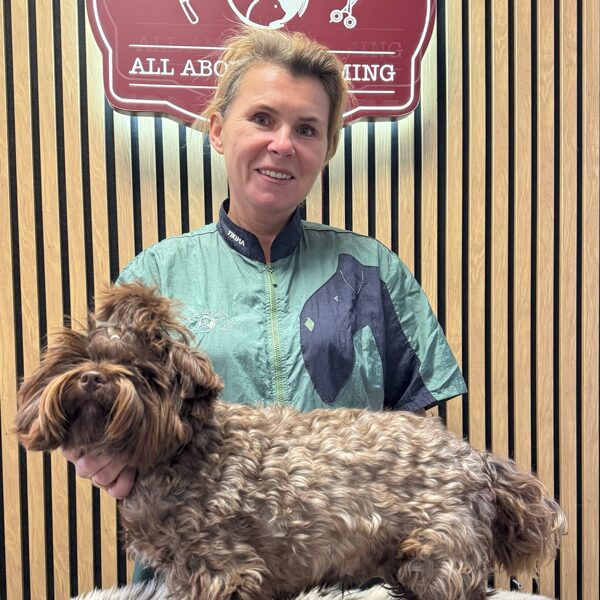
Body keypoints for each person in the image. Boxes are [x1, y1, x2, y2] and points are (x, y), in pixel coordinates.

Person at [65, 26, 467, 582]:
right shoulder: (153, 279)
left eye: (307, 129)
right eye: (262, 118)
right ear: (217, 130)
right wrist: (97, 455)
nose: (283, 144)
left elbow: (418, 446)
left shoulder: (373, 272)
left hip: (351, 582)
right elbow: (94, 409)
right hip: (202, 577)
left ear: (326, 149)